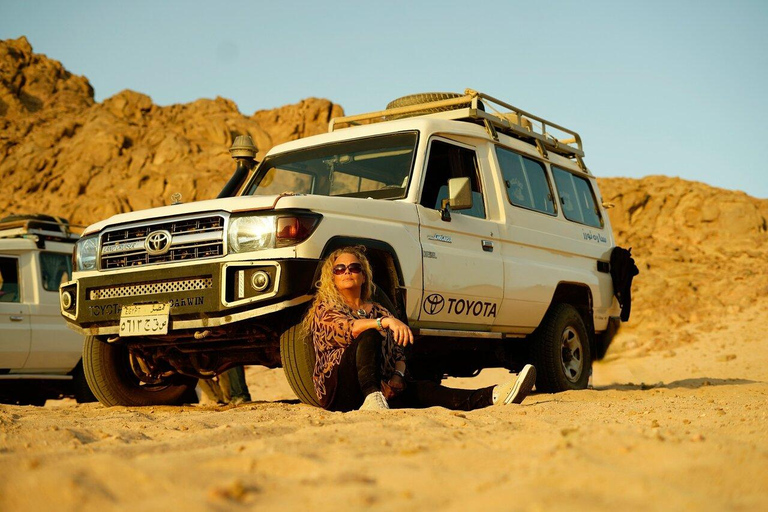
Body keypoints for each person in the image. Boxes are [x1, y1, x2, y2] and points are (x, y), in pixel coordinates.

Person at [304, 246, 537, 411]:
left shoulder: (378, 309)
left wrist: (397, 377)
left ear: (363, 276)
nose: (347, 272)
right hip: (340, 391)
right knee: (369, 335)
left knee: (426, 390)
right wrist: (384, 322)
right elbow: (347, 329)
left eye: (354, 267)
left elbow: (399, 351)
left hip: (383, 391)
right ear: (332, 278)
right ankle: (372, 397)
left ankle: (493, 396)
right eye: (339, 269)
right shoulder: (326, 308)